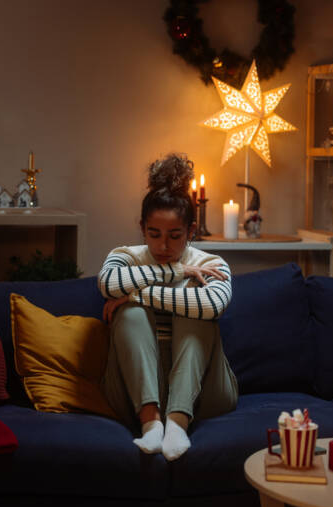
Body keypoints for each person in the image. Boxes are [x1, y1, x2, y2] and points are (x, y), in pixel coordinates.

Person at [97, 153, 238, 461]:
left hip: (206, 391)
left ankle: (177, 422)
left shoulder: (210, 264)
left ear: (191, 230)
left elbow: (213, 306)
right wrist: (174, 272)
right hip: (130, 390)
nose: (163, 246)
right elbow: (107, 284)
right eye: (154, 234)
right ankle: (151, 423)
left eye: (175, 236)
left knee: (192, 308)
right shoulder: (126, 256)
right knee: (131, 315)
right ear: (142, 228)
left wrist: (137, 295)